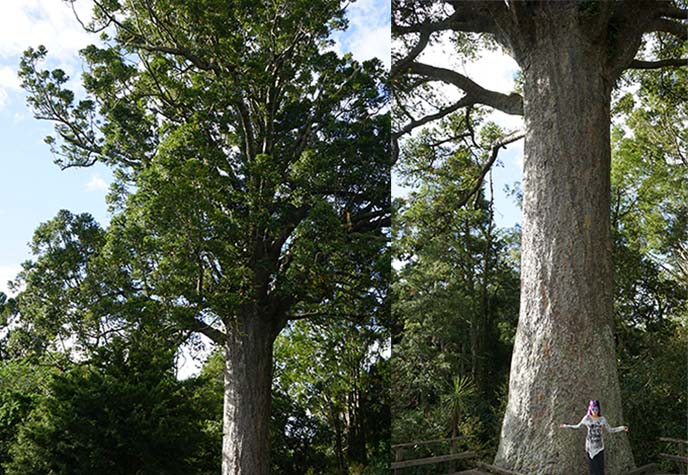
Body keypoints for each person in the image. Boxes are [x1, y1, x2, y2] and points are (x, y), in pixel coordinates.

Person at [559, 400, 629, 475]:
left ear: (598, 410)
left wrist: (622, 428)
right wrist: (566, 426)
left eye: (596, 409)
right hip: (590, 448)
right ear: (590, 409)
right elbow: (577, 426)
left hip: (600, 447)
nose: (595, 411)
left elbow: (610, 430)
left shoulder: (602, 419)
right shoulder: (586, 418)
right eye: (593, 409)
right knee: (592, 470)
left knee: (600, 470)